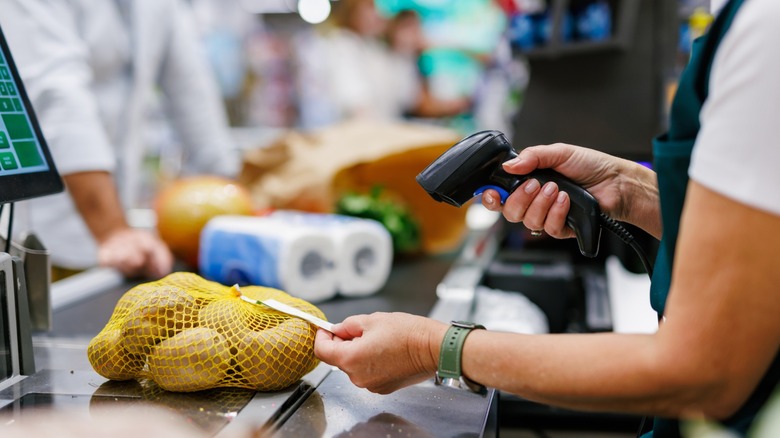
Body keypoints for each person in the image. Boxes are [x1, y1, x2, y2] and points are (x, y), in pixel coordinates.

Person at [314, 0, 780, 436]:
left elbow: (706, 371)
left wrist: (432, 348)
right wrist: (630, 190)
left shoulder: (764, 30)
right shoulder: (739, 20)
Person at [0, 0, 240, 279]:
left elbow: (192, 92)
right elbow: (59, 97)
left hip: (120, 225)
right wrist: (112, 230)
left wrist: (231, 195)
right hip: (47, 236)